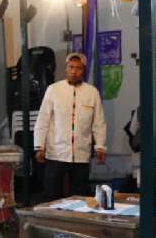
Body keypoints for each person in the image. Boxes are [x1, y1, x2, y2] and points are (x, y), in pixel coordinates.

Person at [34, 53, 107, 202]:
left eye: (78, 68)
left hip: (81, 154)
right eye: (71, 67)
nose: (74, 71)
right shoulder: (53, 90)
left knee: (79, 197)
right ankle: (51, 221)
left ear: (83, 70)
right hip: (56, 152)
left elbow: (98, 122)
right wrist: (39, 146)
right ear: (66, 69)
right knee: (51, 195)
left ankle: (76, 222)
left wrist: (100, 147)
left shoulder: (92, 93)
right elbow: (43, 119)